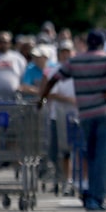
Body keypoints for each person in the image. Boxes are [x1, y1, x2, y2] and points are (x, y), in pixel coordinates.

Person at [38, 30, 106, 212]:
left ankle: (92, 194)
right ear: (102, 44)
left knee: (91, 154)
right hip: (105, 111)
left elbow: (54, 78)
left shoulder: (75, 60)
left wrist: (42, 98)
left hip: (86, 114)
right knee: (102, 157)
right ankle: (96, 198)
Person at [46, 40, 78, 195]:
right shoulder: (56, 70)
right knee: (63, 150)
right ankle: (66, 180)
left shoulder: (79, 69)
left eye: (68, 51)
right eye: (62, 52)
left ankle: (79, 181)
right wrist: (69, 100)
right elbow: (50, 91)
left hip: (78, 115)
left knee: (79, 150)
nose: (65, 55)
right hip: (60, 115)